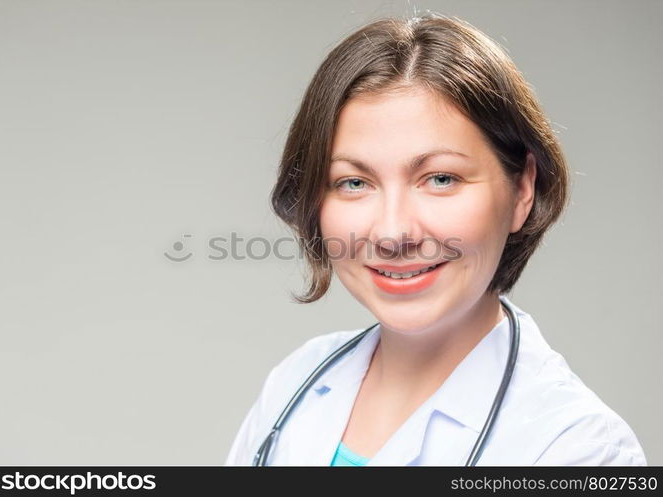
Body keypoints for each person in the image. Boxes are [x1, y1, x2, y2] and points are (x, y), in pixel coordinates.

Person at [224, 13, 647, 466]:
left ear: (523, 188)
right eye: (353, 183)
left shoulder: (577, 448)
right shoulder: (298, 383)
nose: (392, 234)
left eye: (440, 178)